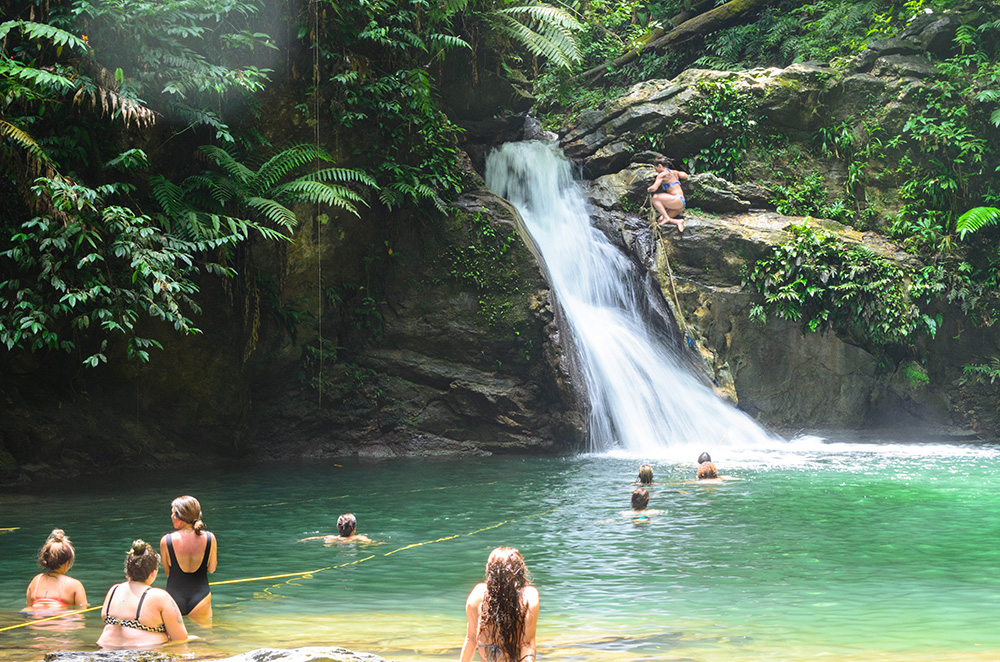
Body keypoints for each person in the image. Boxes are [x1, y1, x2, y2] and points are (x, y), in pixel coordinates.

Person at [96, 540, 188, 648]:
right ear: (153, 573)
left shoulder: (114, 590)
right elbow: (180, 638)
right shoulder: (159, 596)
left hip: (104, 652)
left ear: (128, 570)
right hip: (140, 654)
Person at [460, 547, 539, 662]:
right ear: (519, 571)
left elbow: (471, 640)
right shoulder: (528, 596)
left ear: (490, 571)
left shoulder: (477, 594)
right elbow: (527, 644)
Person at [159, 495, 217, 621]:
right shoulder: (209, 538)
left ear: (178, 517)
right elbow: (212, 569)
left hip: (174, 597)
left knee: (173, 638)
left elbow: (168, 573)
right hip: (201, 596)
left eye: (173, 513)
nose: (171, 516)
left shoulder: (166, 541)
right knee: (204, 637)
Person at [24, 529, 87, 612]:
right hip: (60, 623)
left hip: (36, 623)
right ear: (67, 562)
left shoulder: (36, 580)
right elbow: (82, 614)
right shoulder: (75, 585)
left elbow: (29, 608)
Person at [647, 156, 688, 233]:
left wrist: (649, 189)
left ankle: (667, 218)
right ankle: (678, 222)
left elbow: (654, 188)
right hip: (680, 205)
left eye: (656, 168)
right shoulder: (674, 172)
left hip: (676, 199)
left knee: (655, 197)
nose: (656, 171)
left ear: (659, 166)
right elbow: (686, 176)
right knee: (660, 220)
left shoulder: (662, 175)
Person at [299, 513, 373, 543]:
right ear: (354, 529)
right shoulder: (359, 538)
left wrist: (303, 540)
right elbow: (369, 543)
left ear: (338, 527)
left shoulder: (331, 537)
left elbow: (313, 538)